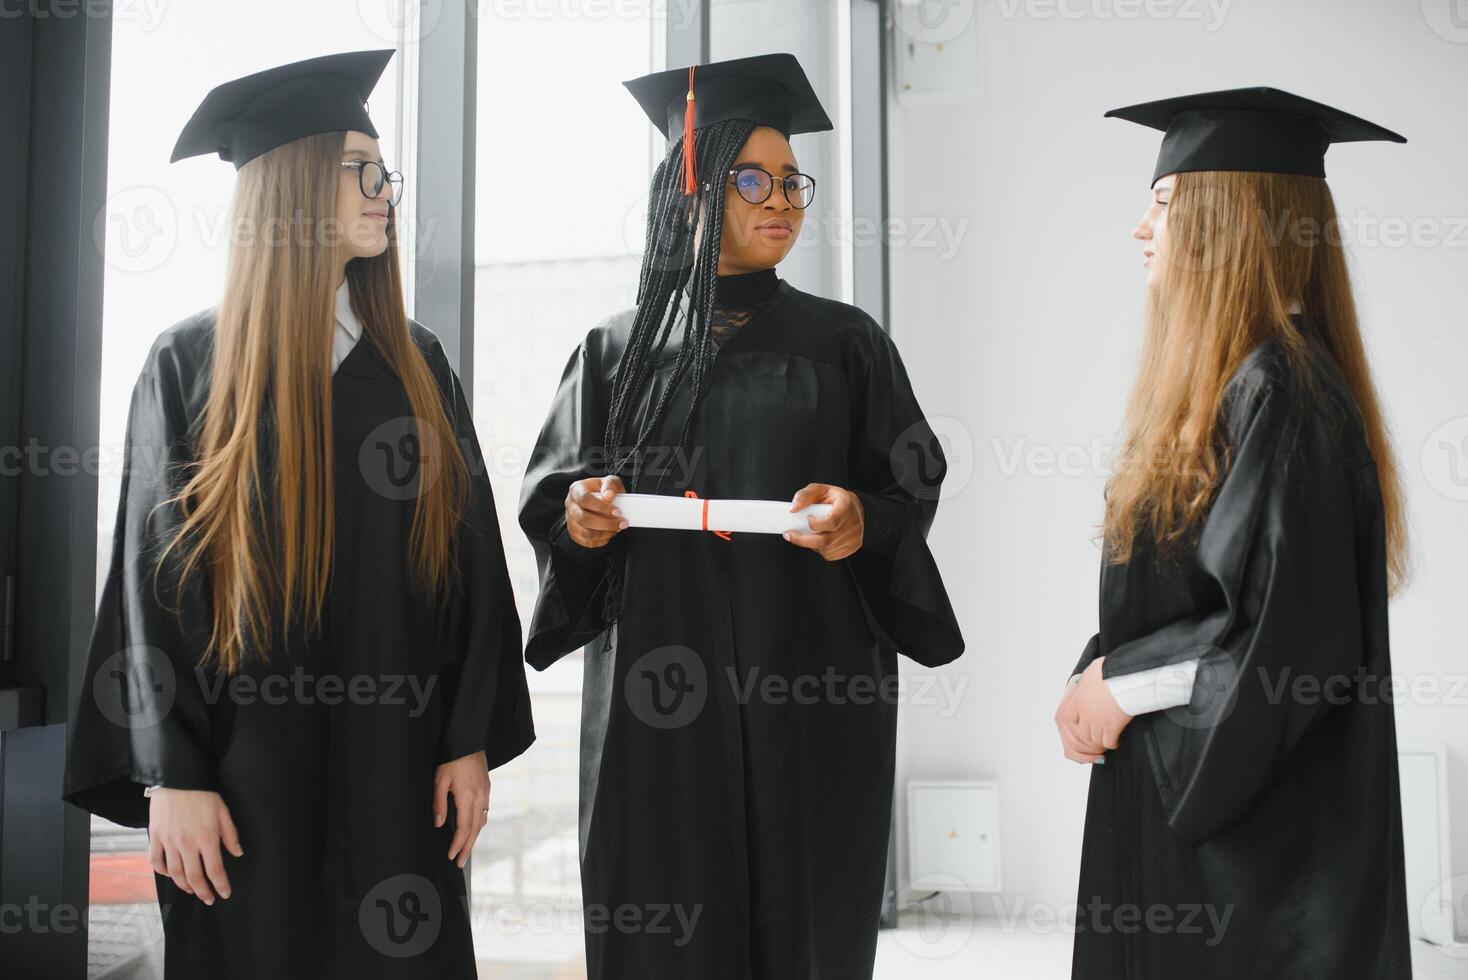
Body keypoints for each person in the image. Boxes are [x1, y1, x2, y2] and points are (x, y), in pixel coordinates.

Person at [63, 50, 535, 978]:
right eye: (359, 168)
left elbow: (469, 562)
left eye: (383, 170)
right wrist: (174, 775)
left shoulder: (416, 366)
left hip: (398, 761)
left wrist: (468, 736)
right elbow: (148, 586)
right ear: (293, 185)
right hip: (242, 777)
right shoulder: (187, 367)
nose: (382, 190)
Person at [518, 52, 964, 978]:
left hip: (809, 681)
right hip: (658, 695)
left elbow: (908, 483)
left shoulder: (845, 342)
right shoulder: (616, 348)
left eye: (793, 182)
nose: (783, 201)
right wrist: (582, 520)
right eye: (753, 179)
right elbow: (554, 496)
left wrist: (863, 520)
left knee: (803, 913)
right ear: (695, 186)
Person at [1055, 87, 1412, 977]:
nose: (1142, 228)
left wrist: (1119, 685)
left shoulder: (1286, 395)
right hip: (1175, 793)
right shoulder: (1229, 386)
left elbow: (1290, 640)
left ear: (1230, 222)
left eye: (1166, 204)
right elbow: (1187, 594)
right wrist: (1098, 669)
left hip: (1256, 850)